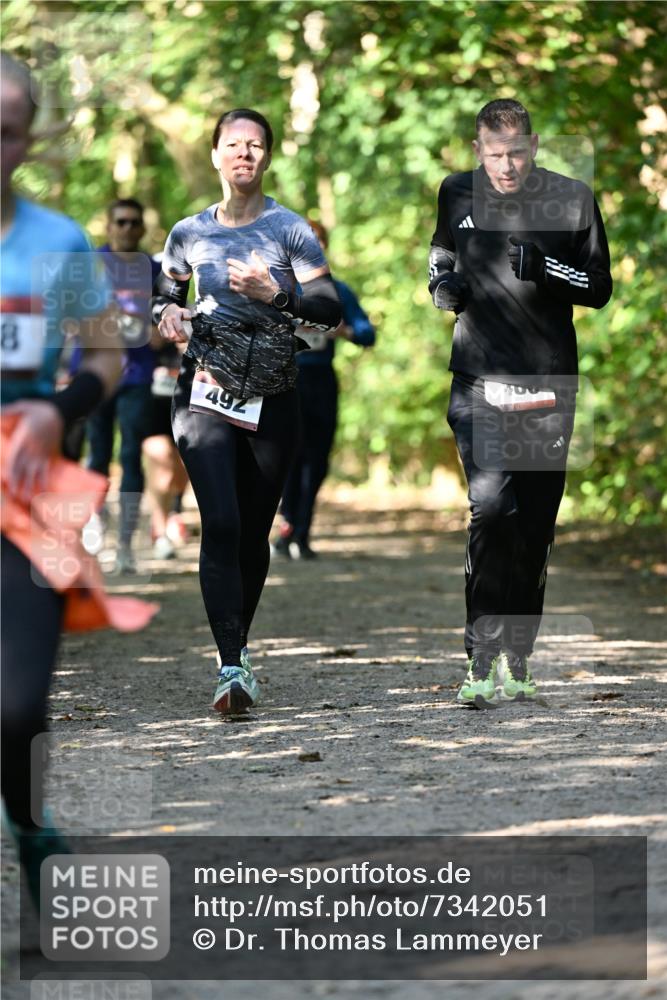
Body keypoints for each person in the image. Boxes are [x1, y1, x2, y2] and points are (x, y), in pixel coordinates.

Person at [152, 108, 342, 715]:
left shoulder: (291, 231)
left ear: (267, 157)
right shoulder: (187, 232)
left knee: (254, 530)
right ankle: (231, 666)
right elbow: (165, 294)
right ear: (215, 155)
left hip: (274, 390)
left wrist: (274, 293)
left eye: (256, 145)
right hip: (204, 386)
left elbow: (327, 305)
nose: (244, 154)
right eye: (233, 144)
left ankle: (239, 649)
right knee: (223, 521)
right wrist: (169, 314)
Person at [429, 98, 612, 708]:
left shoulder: (572, 197)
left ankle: (519, 655)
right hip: (478, 380)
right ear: (478, 148)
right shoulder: (456, 192)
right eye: (494, 154)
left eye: (517, 153)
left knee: (534, 526)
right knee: (490, 506)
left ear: (534, 146)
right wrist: (442, 286)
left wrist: (547, 267)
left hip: (548, 385)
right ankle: (479, 657)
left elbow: (600, 286)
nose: (506, 167)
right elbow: (441, 254)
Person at [0, 53, 124, 900]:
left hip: (30, 486)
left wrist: (58, 407)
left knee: (17, 701)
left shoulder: (58, 241)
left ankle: (33, 824)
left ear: (27, 138)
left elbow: (108, 356)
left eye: (5, 130)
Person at [273, 219, 375, 560]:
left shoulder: (338, 291)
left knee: (317, 460)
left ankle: (302, 533)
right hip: (285, 380)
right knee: (289, 456)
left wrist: (343, 330)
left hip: (322, 382)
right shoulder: (277, 288)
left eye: (318, 241)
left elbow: (367, 333)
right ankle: (287, 524)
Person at [81, 198, 162, 573]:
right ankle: (95, 525)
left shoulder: (156, 270)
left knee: (130, 455)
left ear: (143, 229)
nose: (127, 229)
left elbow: (168, 320)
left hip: (137, 376)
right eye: (121, 222)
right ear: (109, 226)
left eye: (134, 223)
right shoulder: (90, 264)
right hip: (95, 375)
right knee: (97, 454)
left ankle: (126, 544)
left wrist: (156, 332)